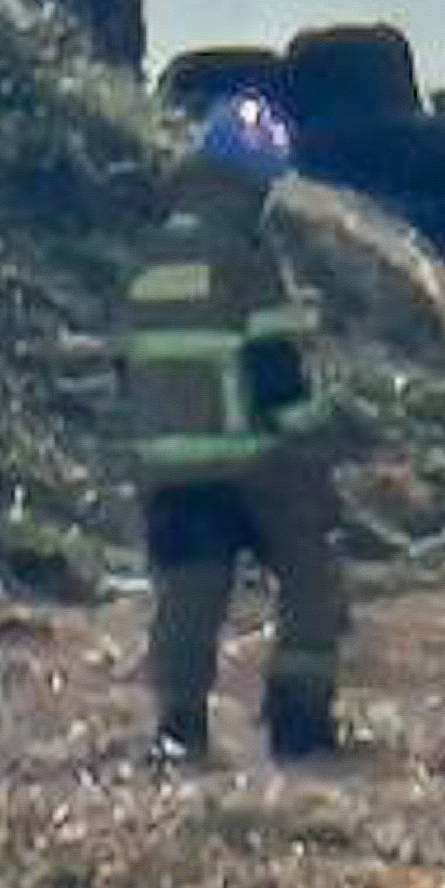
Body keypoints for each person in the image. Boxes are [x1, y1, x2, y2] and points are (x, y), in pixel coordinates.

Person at [125, 94, 351, 762]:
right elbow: (275, 372)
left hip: (167, 466)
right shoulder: (246, 257)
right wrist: (317, 446)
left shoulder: (149, 250)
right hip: (250, 463)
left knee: (186, 605)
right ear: (251, 179)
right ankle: (299, 726)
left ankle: (179, 731)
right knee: (313, 579)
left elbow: (127, 368)